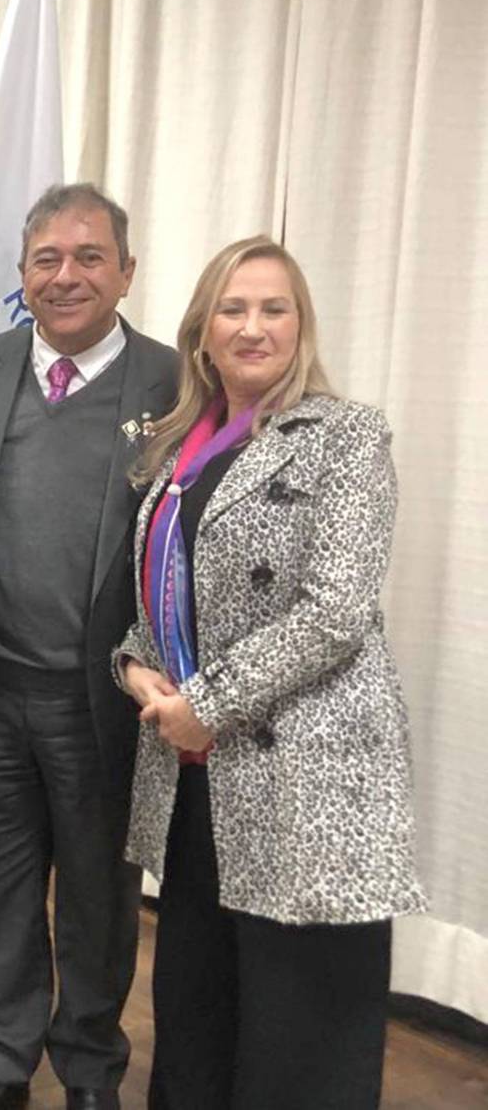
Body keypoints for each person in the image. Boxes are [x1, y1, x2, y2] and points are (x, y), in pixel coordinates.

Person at [113, 236, 426, 1110]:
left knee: (302, 1031)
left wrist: (203, 704)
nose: (254, 327)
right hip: (198, 780)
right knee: (200, 1011)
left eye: (274, 309)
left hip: (305, 778)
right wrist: (138, 669)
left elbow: (337, 609)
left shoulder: (347, 436)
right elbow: (169, 598)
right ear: (202, 332)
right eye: (233, 309)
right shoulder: (180, 450)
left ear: (301, 326)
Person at [0, 184, 178, 1110]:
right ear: (22, 272)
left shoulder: (170, 380)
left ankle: (88, 1066)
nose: (66, 275)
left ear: (125, 270)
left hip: (106, 698)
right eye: (47, 258)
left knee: (98, 896)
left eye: (89, 257)